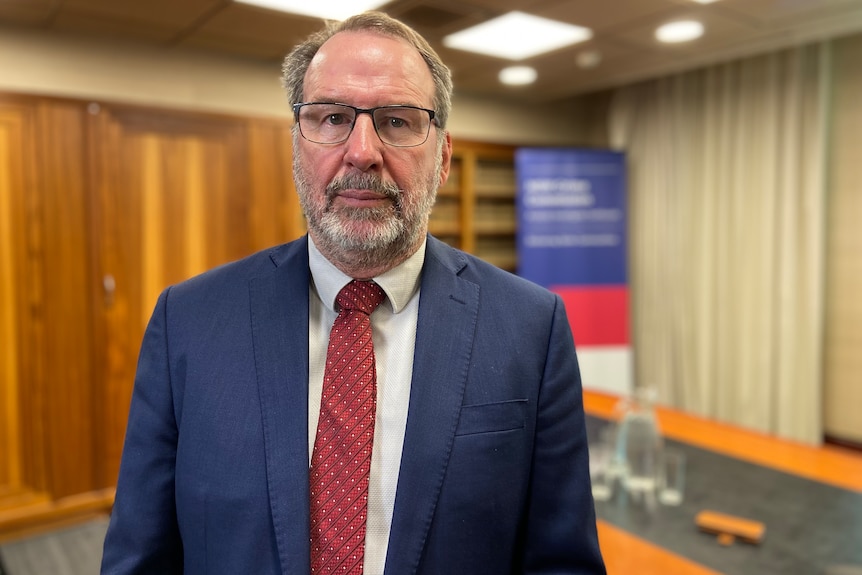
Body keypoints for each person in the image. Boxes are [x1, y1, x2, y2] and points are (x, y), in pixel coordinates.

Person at [101, 10, 606, 575]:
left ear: (442, 158)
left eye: (396, 121)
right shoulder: (188, 322)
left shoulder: (531, 329)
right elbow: (139, 559)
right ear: (298, 146)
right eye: (333, 117)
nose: (362, 150)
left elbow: (563, 563)